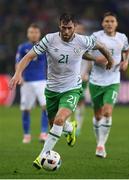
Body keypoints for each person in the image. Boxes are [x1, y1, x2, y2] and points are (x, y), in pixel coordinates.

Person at [10, 13, 114, 169]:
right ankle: (70, 128)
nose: (66, 31)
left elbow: (102, 47)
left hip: (72, 88)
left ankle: (42, 156)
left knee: (59, 120)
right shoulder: (49, 39)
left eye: (70, 28)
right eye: (64, 28)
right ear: (59, 26)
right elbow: (29, 56)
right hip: (52, 89)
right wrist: (18, 73)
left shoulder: (82, 40)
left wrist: (110, 60)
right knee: (55, 124)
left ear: (74, 27)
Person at [88, 12, 129, 158]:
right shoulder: (95, 37)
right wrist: (96, 59)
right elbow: (83, 53)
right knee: (98, 116)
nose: (109, 23)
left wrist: (126, 61)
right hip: (95, 81)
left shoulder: (122, 37)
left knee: (107, 112)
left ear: (116, 24)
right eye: (107, 21)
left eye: (112, 21)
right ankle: (98, 142)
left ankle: (101, 145)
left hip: (113, 81)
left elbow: (127, 50)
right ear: (102, 23)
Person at [15, 23, 48, 143]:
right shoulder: (23, 47)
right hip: (27, 82)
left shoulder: (44, 47)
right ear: (28, 34)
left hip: (42, 81)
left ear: (39, 34)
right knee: (26, 109)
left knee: (45, 107)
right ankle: (27, 134)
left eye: (36, 32)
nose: (33, 34)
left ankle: (43, 133)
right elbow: (18, 63)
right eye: (31, 32)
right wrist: (19, 75)